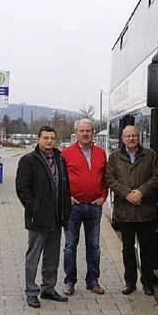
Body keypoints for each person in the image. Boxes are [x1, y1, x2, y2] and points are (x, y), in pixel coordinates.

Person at [15, 125, 71, 308]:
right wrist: (34, 208)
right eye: (45, 138)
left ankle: (48, 288)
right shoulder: (29, 160)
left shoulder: (60, 160)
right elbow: (22, 189)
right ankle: (31, 292)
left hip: (56, 217)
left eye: (52, 138)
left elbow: (65, 187)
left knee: (52, 256)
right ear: (38, 139)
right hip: (38, 218)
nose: (49, 141)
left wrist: (65, 212)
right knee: (33, 256)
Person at [105, 125, 158, 296]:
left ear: (139, 137)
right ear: (122, 139)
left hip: (146, 212)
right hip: (124, 213)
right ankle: (130, 283)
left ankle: (147, 283)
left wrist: (141, 192)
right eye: (127, 136)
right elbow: (110, 178)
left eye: (134, 135)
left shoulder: (150, 155)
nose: (131, 138)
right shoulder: (114, 157)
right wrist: (127, 194)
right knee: (128, 250)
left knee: (147, 249)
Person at [61, 119, 108, 296]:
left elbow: (105, 177)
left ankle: (93, 281)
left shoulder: (101, 153)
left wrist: (103, 196)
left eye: (88, 131)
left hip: (94, 206)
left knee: (94, 245)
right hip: (74, 207)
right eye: (82, 131)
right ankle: (69, 282)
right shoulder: (66, 153)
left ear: (93, 132)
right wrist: (68, 197)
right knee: (70, 245)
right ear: (76, 132)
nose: (85, 134)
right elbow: (61, 179)